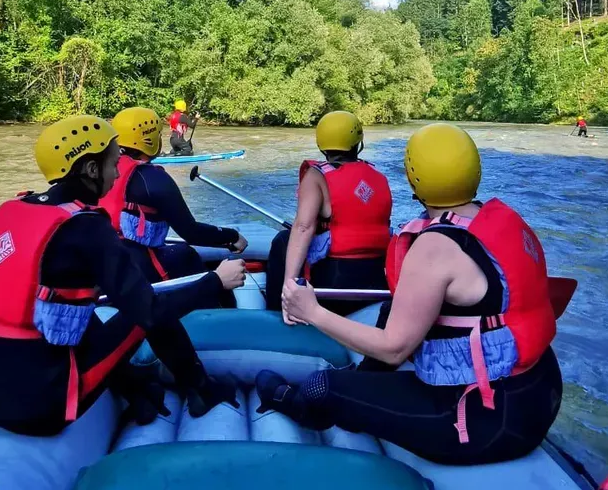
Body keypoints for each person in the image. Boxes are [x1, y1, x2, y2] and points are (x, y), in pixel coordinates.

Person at [257, 123, 561, 466]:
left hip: (484, 421)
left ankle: (298, 406)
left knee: (320, 387)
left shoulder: (434, 247)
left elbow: (394, 349)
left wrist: (312, 312)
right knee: (391, 309)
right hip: (540, 392)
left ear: (413, 177)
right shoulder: (501, 220)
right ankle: (361, 385)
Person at [0, 115, 246, 436]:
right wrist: (215, 281)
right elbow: (151, 313)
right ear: (91, 170)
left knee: (82, 314)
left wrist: (11, 315)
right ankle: (201, 392)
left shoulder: (10, 211)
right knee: (142, 313)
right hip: (46, 409)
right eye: (112, 163)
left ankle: (137, 391)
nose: (116, 171)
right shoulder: (88, 228)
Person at [101, 107, 248, 290]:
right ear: (150, 139)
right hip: (135, 265)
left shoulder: (99, 171)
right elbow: (191, 232)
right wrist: (232, 236)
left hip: (104, 260)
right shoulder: (155, 179)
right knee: (187, 255)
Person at [265, 111, 392, 315]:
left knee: (282, 240)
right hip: (376, 279)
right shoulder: (379, 177)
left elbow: (304, 227)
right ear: (358, 142)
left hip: (334, 281)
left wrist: (289, 287)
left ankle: (278, 311)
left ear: (320, 143)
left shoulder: (316, 176)